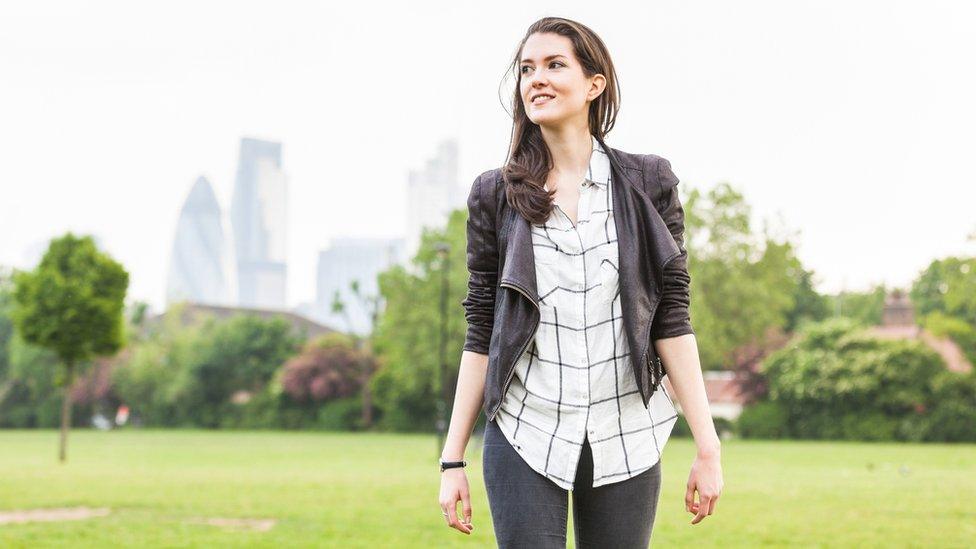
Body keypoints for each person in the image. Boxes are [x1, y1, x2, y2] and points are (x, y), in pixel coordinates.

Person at [438, 16, 724, 547]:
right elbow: (482, 331)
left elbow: (672, 320)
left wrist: (708, 447)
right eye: (526, 68)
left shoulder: (648, 183)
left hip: (627, 436)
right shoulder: (493, 195)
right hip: (526, 430)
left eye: (553, 65)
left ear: (595, 84)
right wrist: (452, 458)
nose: (535, 79)